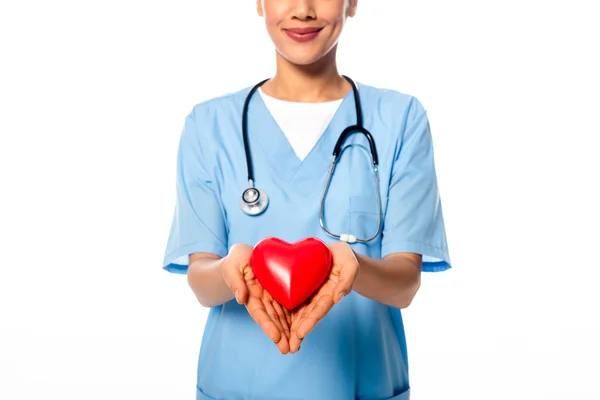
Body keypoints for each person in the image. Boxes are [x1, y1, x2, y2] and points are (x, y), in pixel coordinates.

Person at [162, 1, 451, 399]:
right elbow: (201, 282)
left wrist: (352, 267)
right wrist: (232, 268)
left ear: (352, 3)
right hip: (238, 383)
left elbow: (404, 285)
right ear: (259, 3)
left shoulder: (400, 119)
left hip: (360, 385)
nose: (302, 9)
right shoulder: (209, 125)